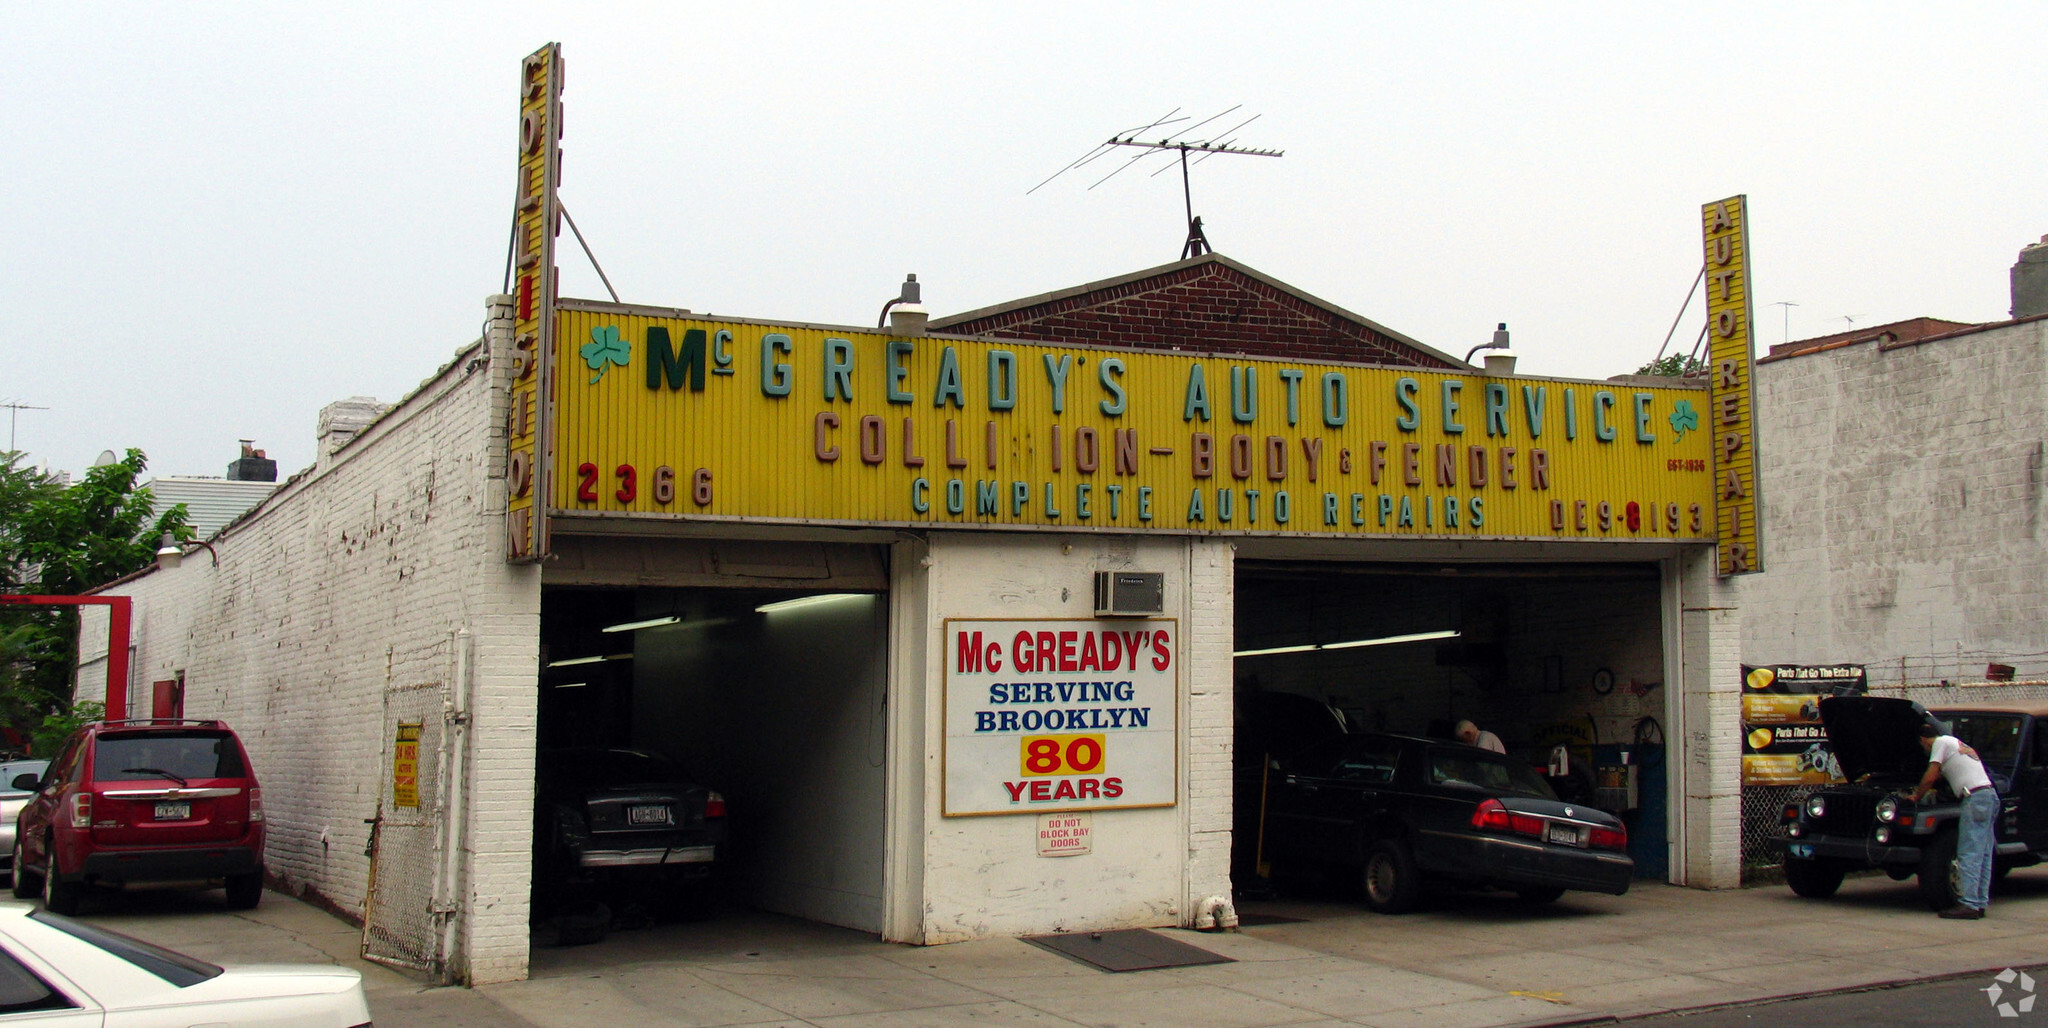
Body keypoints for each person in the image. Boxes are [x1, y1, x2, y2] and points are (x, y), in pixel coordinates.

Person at [1910, 720, 1997, 919]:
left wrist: (1916, 796)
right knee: (1983, 853)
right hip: (1988, 795)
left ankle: (1969, 905)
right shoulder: (1954, 743)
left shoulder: (1940, 744)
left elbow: (1931, 776)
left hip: (1974, 799)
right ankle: (1979, 902)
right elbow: (1947, 773)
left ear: (1924, 740)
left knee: (1968, 852)